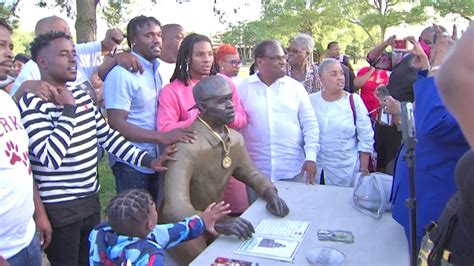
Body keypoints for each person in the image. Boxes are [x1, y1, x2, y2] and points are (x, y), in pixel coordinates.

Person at [18, 31, 175, 266]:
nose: (73, 60)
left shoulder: (81, 97)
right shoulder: (30, 104)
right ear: (42, 62)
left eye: (73, 54)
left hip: (90, 201)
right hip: (60, 210)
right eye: (63, 55)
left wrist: (146, 161)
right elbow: (51, 157)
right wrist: (68, 111)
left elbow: (109, 138)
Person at [160, 75, 289, 264]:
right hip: (183, 224)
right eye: (221, 101)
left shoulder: (234, 139)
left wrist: (270, 193)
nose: (231, 105)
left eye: (230, 98)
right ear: (202, 108)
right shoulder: (186, 146)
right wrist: (219, 222)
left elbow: (250, 173)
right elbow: (174, 208)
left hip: (212, 218)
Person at [103, 16, 195, 202]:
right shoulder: (122, 74)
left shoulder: (154, 70)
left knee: (151, 219)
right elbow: (116, 123)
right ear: (133, 40)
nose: (156, 40)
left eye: (159, 35)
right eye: (149, 35)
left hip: (154, 158)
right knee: (134, 220)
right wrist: (162, 137)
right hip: (130, 162)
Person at [157, 34, 249, 214]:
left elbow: (242, 118)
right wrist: (203, 119)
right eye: (200, 55)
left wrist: (228, 118)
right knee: (198, 224)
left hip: (228, 161)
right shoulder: (172, 91)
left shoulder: (225, 83)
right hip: (196, 170)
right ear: (187, 58)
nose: (207, 60)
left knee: (236, 216)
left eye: (209, 54)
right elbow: (165, 129)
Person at [238, 40, 319, 200]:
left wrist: (311, 156)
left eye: (284, 57)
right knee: (259, 222)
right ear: (260, 62)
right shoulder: (242, 88)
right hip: (256, 174)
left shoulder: (295, 88)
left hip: (293, 170)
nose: (283, 61)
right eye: (276, 58)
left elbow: (310, 124)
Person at [0, 18, 50, 266]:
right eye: (1, 45)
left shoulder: (7, 101)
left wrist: (38, 214)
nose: (9, 53)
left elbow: (21, 163)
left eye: (9, 46)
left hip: (27, 238)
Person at [89, 189, 231, 265]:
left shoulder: (99, 233)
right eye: (154, 209)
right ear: (150, 224)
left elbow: (173, 232)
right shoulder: (150, 253)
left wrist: (202, 221)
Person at [366, 27, 436, 173]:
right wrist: (386, 43)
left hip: (404, 129)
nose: (422, 45)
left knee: (396, 170)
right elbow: (372, 59)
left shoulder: (435, 69)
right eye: (421, 40)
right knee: (379, 169)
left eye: (428, 42)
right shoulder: (404, 58)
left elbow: (428, 102)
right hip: (385, 125)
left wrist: (400, 108)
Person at [10, 15, 123, 97]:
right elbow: (13, 107)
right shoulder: (32, 69)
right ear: (43, 38)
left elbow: (105, 47)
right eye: (63, 31)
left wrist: (113, 35)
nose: (69, 34)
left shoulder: (75, 52)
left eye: (69, 29)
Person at [310, 58, 374, 186]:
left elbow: (366, 137)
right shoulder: (311, 101)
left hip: (347, 171)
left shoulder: (354, 101)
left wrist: (364, 170)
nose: (340, 78)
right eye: (334, 74)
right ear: (322, 79)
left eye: (341, 73)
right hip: (317, 171)